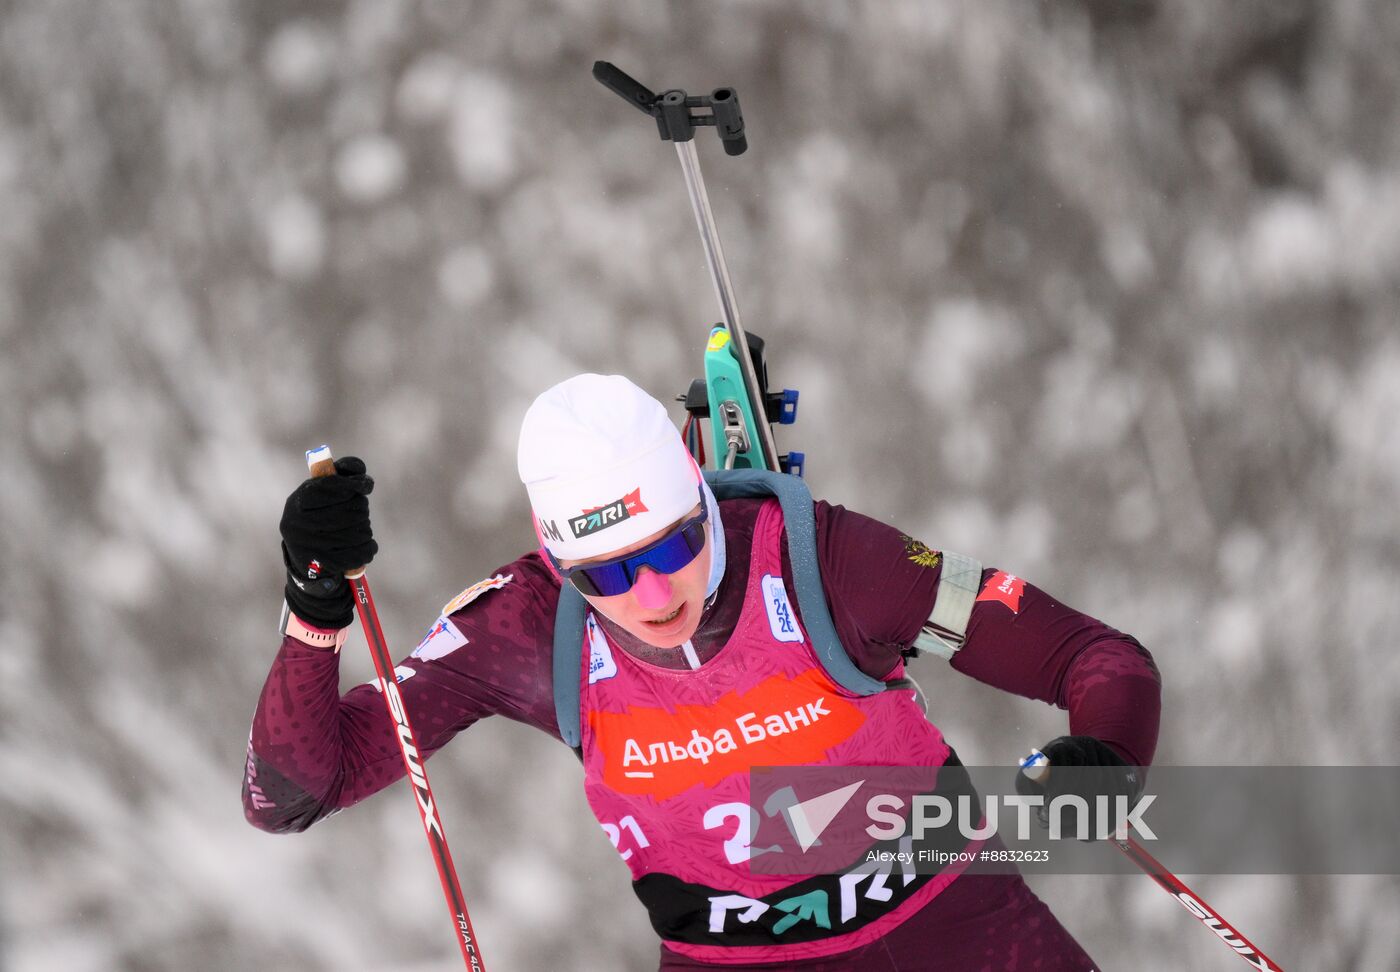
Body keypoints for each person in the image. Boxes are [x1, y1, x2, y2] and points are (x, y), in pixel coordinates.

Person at [244, 373, 1161, 970]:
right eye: (604, 573)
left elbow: (1095, 658)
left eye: (672, 544)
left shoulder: (827, 566)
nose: (649, 592)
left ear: (700, 494)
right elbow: (288, 794)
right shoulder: (526, 629)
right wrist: (315, 608)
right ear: (556, 563)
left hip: (948, 930)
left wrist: (1107, 754)